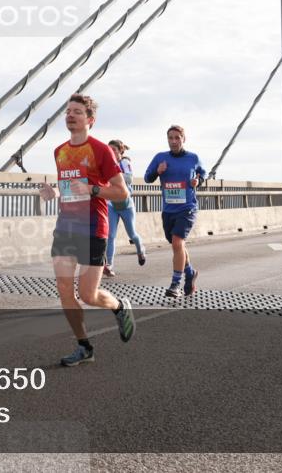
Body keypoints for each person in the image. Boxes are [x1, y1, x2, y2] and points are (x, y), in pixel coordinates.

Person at [39, 94, 135, 367]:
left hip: (94, 227)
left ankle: (119, 306)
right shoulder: (60, 152)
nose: (70, 115)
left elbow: (121, 193)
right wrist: (54, 191)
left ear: (90, 120)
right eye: (68, 111)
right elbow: (68, 188)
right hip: (66, 226)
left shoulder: (101, 150)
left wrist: (93, 189)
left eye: (77, 112)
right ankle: (84, 346)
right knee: (64, 289)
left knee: (88, 295)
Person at [144, 125, 207, 298]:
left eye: (177, 138)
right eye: (170, 138)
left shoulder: (193, 158)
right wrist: (158, 171)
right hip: (168, 209)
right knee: (176, 245)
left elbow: (203, 175)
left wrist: (198, 181)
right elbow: (147, 178)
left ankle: (175, 284)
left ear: (183, 139)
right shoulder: (160, 157)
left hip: (187, 208)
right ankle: (190, 272)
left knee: (177, 243)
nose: (173, 141)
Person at [103, 140, 146, 277]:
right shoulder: (105, 164)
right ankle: (109, 265)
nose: (111, 152)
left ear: (120, 152)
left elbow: (129, 178)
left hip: (126, 205)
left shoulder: (124, 163)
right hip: (111, 204)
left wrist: (114, 174)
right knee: (110, 236)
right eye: (109, 150)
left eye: (114, 150)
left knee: (132, 234)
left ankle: (140, 250)